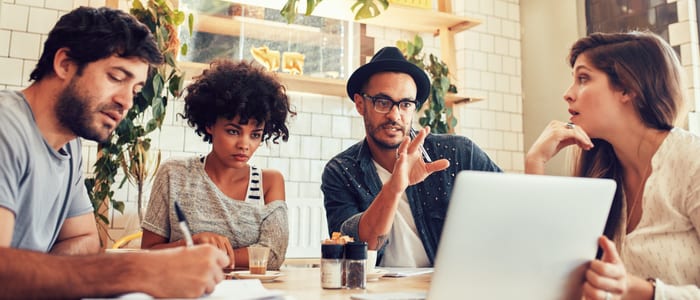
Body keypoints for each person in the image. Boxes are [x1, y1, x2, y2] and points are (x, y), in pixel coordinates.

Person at [0, 6, 228, 298]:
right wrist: (140, 270)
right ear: (65, 64)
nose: (126, 102)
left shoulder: (67, 146)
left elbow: (84, 241)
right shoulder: (7, 126)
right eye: (116, 77)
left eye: (134, 90)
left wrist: (35, 275)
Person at [526, 31, 700, 300]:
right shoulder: (600, 175)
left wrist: (637, 290)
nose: (567, 95)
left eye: (583, 78)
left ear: (628, 89)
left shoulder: (692, 161)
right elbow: (548, 276)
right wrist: (535, 163)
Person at [322, 46, 501, 267]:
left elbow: (511, 211)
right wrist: (395, 188)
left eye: (405, 104)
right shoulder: (341, 171)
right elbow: (355, 251)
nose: (395, 115)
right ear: (361, 104)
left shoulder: (459, 154)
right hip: (377, 293)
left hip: (447, 289)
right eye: (383, 102)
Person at [141, 59, 294, 270]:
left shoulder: (269, 182)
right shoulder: (174, 173)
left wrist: (209, 254)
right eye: (233, 131)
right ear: (210, 124)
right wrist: (190, 244)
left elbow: (273, 255)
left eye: (255, 135)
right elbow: (148, 253)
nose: (244, 145)